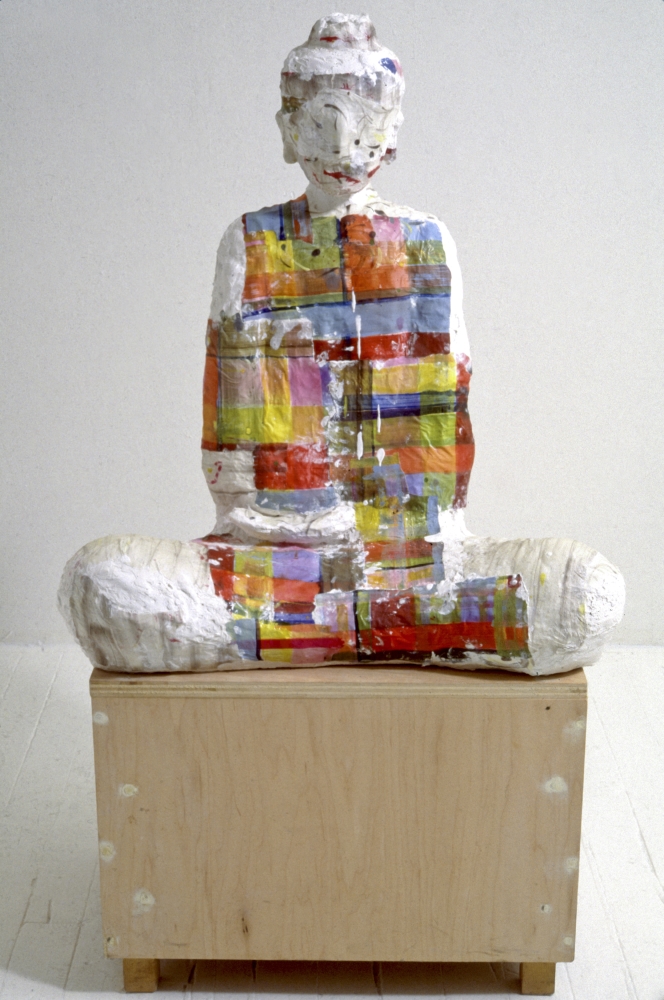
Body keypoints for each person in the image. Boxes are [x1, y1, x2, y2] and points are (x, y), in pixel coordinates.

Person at [58, 14, 624, 675]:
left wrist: (402, 530)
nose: (343, 144)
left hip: (412, 558)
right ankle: (388, 630)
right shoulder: (251, 242)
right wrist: (282, 520)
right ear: (287, 130)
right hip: (274, 556)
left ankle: (301, 633)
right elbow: (231, 441)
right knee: (103, 583)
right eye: (320, 123)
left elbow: (444, 430)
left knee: (585, 594)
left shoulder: (427, 242)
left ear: (394, 131)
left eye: (366, 123)